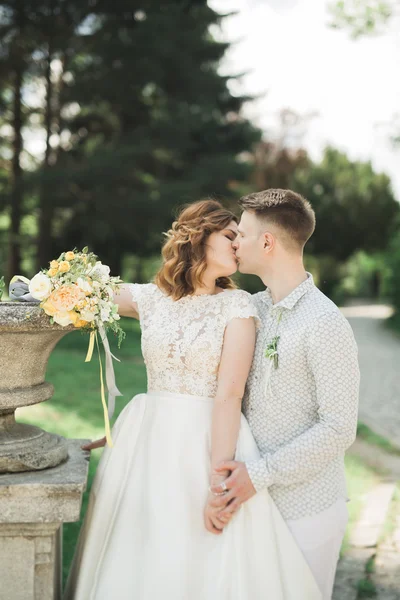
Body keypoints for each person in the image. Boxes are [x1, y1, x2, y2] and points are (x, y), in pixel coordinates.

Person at [63, 199, 321, 600]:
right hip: (145, 438)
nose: (238, 245)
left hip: (203, 442)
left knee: (197, 547)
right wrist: (50, 285)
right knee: (139, 543)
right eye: (230, 235)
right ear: (199, 237)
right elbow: (83, 295)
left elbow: (229, 395)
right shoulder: (150, 299)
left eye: (241, 237)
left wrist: (219, 486)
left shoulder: (236, 305)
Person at [209, 189, 360, 600]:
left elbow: (339, 427)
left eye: (241, 234)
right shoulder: (248, 308)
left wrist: (257, 475)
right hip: (251, 510)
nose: (234, 242)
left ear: (268, 242)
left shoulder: (325, 323)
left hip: (306, 511)